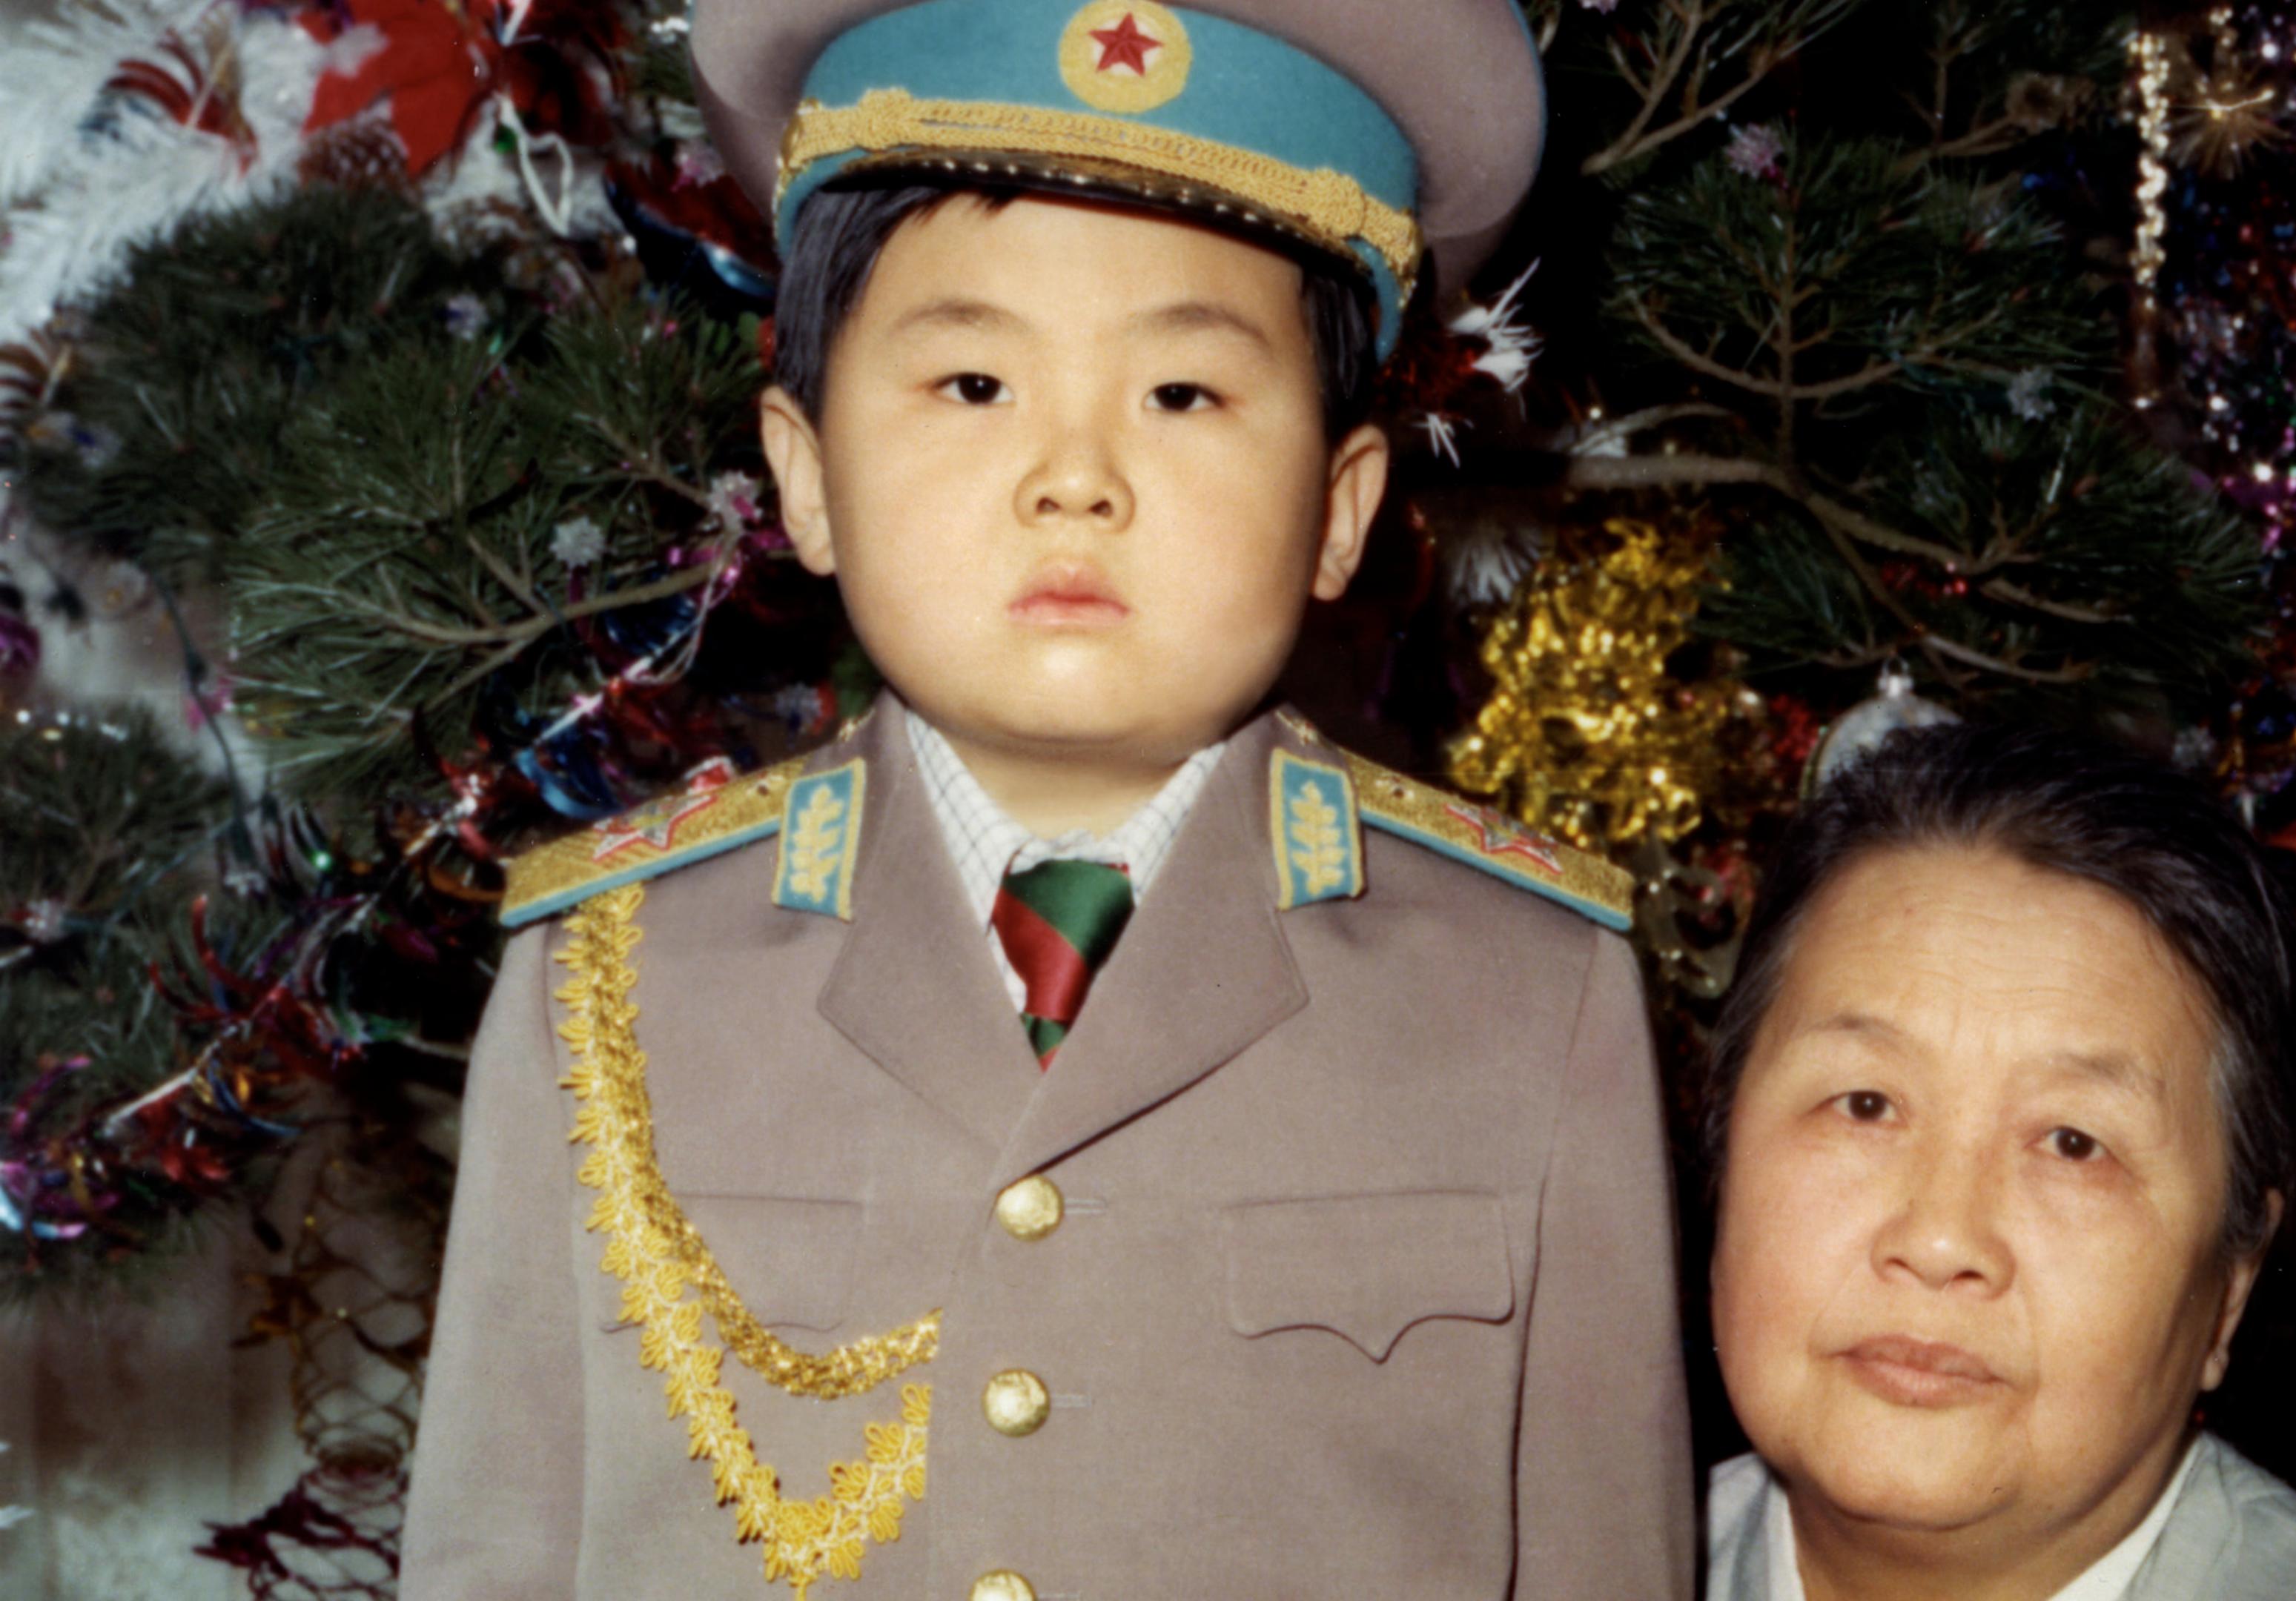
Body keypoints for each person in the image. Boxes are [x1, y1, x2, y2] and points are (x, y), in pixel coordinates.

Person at [399, 3, 1693, 1597]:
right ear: (804, 477)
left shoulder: (1525, 991)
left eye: (1183, 396)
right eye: (969, 384)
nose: (1074, 476)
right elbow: (494, 1555)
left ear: (1342, 510)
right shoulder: (608, 976)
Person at [1702, 722, 2296, 1601]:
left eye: (2074, 1144)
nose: (1940, 1239)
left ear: (2230, 1291)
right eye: (1866, 1105)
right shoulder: (1560, 1553)